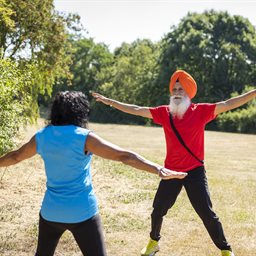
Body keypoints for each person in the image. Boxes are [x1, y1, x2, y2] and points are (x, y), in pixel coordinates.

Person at [0, 91, 187, 256]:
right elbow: (124, 156)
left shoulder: (42, 136)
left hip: (51, 213)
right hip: (82, 213)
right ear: (80, 112)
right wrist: (157, 169)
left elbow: (15, 156)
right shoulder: (84, 137)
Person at [92, 70, 256, 256]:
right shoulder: (164, 113)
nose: (177, 92)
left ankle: (225, 250)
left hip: (195, 171)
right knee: (157, 210)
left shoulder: (201, 111)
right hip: (170, 172)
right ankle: (153, 242)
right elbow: (137, 109)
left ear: (188, 92)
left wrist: (253, 92)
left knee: (207, 214)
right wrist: (110, 102)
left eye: (181, 89)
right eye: (175, 89)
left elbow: (228, 103)